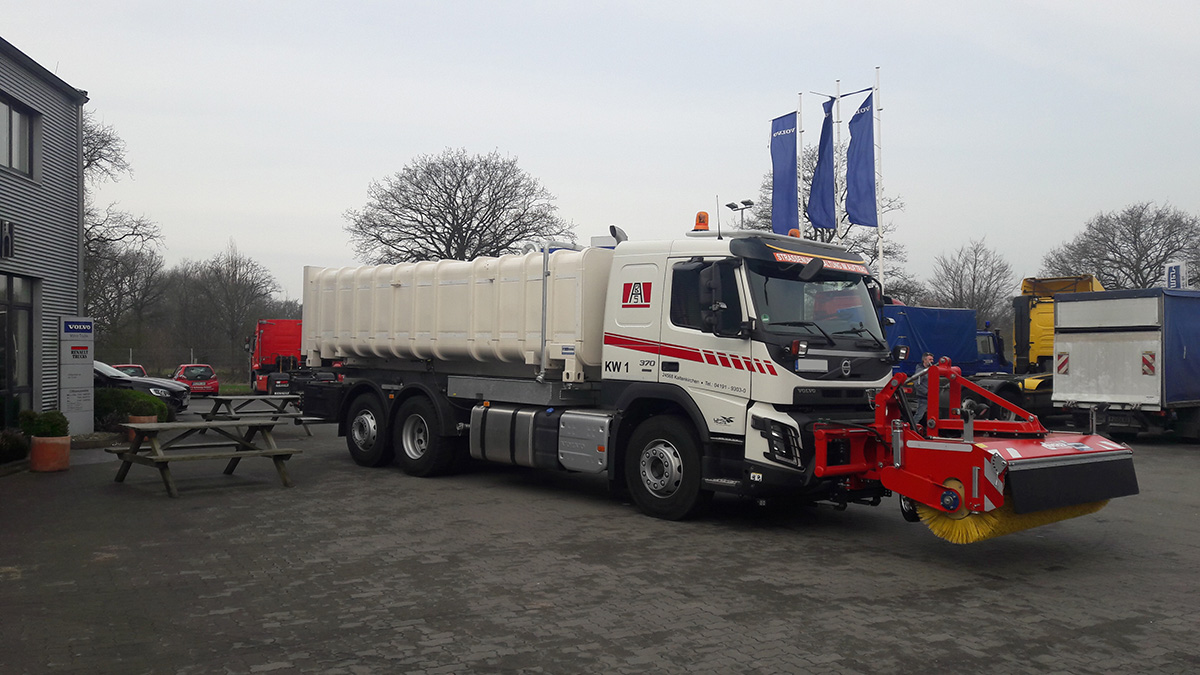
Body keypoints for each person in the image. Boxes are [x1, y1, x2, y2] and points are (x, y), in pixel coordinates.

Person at [911, 352, 936, 427]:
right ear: (924, 360)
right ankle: (912, 427)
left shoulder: (930, 370)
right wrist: (927, 392)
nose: (932, 361)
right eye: (930, 359)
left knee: (932, 414)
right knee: (919, 414)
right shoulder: (920, 371)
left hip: (931, 397)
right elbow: (917, 384)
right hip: (923, 397)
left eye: (932, 359)